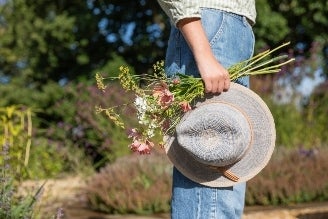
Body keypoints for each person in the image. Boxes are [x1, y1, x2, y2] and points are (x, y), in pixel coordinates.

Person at [156, 1, 256, 218]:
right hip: (209, 27)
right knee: (209, 196)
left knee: (226, 195)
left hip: (235, 30)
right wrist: (203, 52)